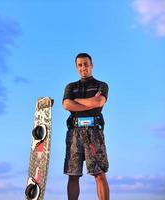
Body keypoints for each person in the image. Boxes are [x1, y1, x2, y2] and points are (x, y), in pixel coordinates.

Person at [62, 53, 110, 200]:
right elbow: (66, 104)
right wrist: (89, 102)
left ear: (92, 65)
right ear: (76, 67)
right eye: (80, 65)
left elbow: (99, 102)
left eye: (86, 64)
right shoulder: (71, 86)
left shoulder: (101, 85)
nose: (83, 67)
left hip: (94, 132)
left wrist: (77, 102)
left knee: (99, 173)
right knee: (73, 174)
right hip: (74, 133)